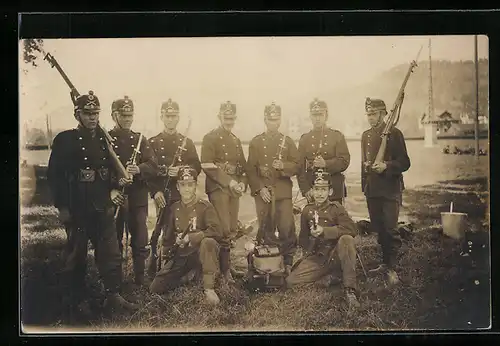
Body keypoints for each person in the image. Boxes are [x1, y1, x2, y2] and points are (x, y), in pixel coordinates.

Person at [47, 90, 138, 322]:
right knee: (76, 256)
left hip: (102, 206)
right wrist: (62, 208)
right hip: (77, 208)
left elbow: (109, 173)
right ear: (77, 114)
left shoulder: (103, 139)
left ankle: (113, 295)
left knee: (110, 254)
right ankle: (76, 300)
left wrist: (116, 187)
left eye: (96, 113)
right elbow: (55, 177)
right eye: (88, 114)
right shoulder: (64, 140)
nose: (93, 118)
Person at [286, 170, 360, 308]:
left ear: (330, 192)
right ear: (312, 191)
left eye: (323, 189)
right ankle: (330, 279)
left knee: (346, 239)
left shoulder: (337, 208)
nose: (319, 193)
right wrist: (308, 251)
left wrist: (325, 231)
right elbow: (303, 239)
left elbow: (352, 229)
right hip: (318, 258)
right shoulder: (307, 211)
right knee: (291, 281)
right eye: (316, 189)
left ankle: (350, 289)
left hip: (335, 254)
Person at [149, 167, 223, 305]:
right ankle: (190, 276)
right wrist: (167, 256)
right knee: (156, 287)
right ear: (177, 187)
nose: (187, 189)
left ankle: (209, 288)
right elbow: (167, 238)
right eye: (183, 185)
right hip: (182, 254)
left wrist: (193, 237)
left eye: (190, 185)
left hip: (200, 253)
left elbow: (217, 231)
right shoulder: (173, 208)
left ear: (195, 185)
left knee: (208, 242)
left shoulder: (205, 206)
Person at [147, 99, 201, 277]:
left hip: (181, 194)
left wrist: (182, 170)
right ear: (162, 116)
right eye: (167, 116)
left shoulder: (187, 142)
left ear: (178, 118)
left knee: (183, 229)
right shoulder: (153, 142)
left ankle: (182, 266)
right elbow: (148, 171)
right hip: (162, 194)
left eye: (174, 116)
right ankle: (160, 265)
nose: (170, 119)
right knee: (163, 230)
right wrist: (155, 191)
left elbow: (196, 167)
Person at [109, 96, 158, 286]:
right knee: (114, 238)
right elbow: (102, 169)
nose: (128, 119)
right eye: (124, 115)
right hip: (116, 196)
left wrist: (138, 169)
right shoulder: (106, 139)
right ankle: (115, 280)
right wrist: (116, 181)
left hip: (137, 197)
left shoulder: (139, 139)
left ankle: (140, 278)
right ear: (114, 115)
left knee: (140, 237)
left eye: (130, 115)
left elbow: (153, 165)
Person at [361, 97, 411, 286]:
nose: (370, 118)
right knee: (379, 227)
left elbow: (405, 162)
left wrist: (386, 166)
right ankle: (384, 262)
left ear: (383, 113)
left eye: (373, 114)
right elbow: (362, 164)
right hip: (373, 189)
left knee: (390, 229)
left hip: (390, 189)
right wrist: (365, 183)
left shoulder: (395, 134)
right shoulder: (365, 135)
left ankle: (392, 267)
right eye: (368, 114)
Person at [246, 102, 300, 273]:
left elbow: (297, 165)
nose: (273, 123)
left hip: (283, 192)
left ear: (280, 121)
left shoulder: (288, 142)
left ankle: (288, 262)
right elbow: (250, 169)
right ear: (265, 120)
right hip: (263, 193)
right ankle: (269, 264)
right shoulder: (256, 142)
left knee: (286, 227)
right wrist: (260, 188)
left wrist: (283, 166)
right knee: (265, 227)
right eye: (270, 119)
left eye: (276, 120)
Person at [200, 101, 247, 283]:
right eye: (226, 118)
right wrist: (230, 182)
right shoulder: (210, 138)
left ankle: (227, 267)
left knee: (232, 229)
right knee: (223, 228)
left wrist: (242, 182)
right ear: (219, 116)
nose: (229, 121)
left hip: (233, 190)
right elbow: (207, 165)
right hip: (218, 188)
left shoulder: (235, 140)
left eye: (231, 118)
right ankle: (222, 272)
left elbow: (243, 166)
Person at [298, 98, 350, 204]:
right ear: (310, 117)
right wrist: (306, 189)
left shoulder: (337, 136)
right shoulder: (305, 139)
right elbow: (300, 167)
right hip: (313, 189)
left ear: (326, 116)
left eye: (320, 115)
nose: (317, 118)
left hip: (333, 190)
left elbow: (344, 161)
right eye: (314, 115)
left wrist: (325, 164)